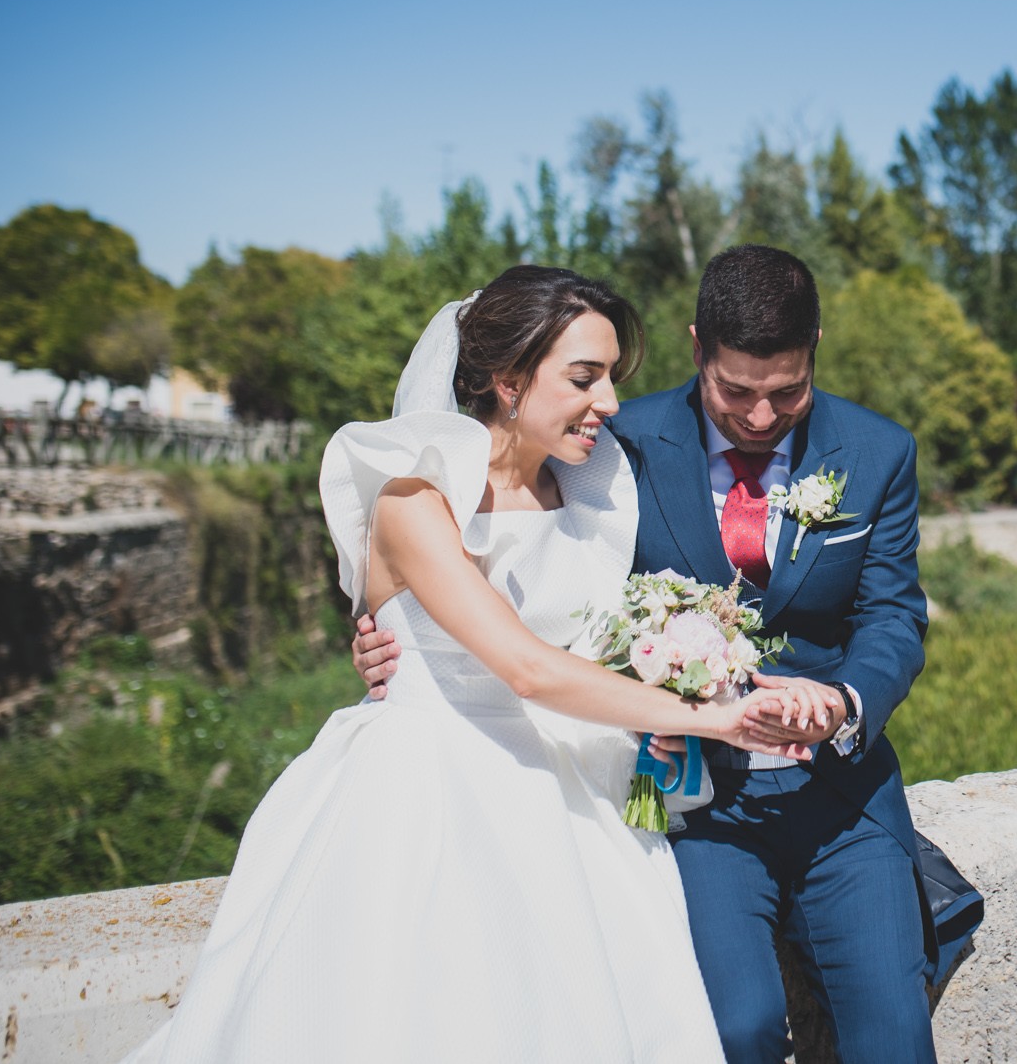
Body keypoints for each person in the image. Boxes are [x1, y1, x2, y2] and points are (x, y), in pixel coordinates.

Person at [125, 266, 816, 1063]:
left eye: (612, 378)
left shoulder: (593, 493)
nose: (611, 404)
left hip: (576, 790)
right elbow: (524, 665)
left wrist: (673, 691)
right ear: (507, 379)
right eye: (585, 378)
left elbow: (597, 642)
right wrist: (713, 717)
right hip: (431, 791)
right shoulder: (414, 498)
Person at [357, 245, 937, 1064]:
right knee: (728, 1029)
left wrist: (842, 702)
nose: (762, 417)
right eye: (737, 390)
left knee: (896, 1033)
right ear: (699, 348)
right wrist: (402, 636)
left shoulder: (879, 451)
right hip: (691, 800)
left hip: (841, 796)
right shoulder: (610, 449)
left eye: (787, 391)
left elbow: (894, 618)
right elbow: (510, 607)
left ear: (815, 349)